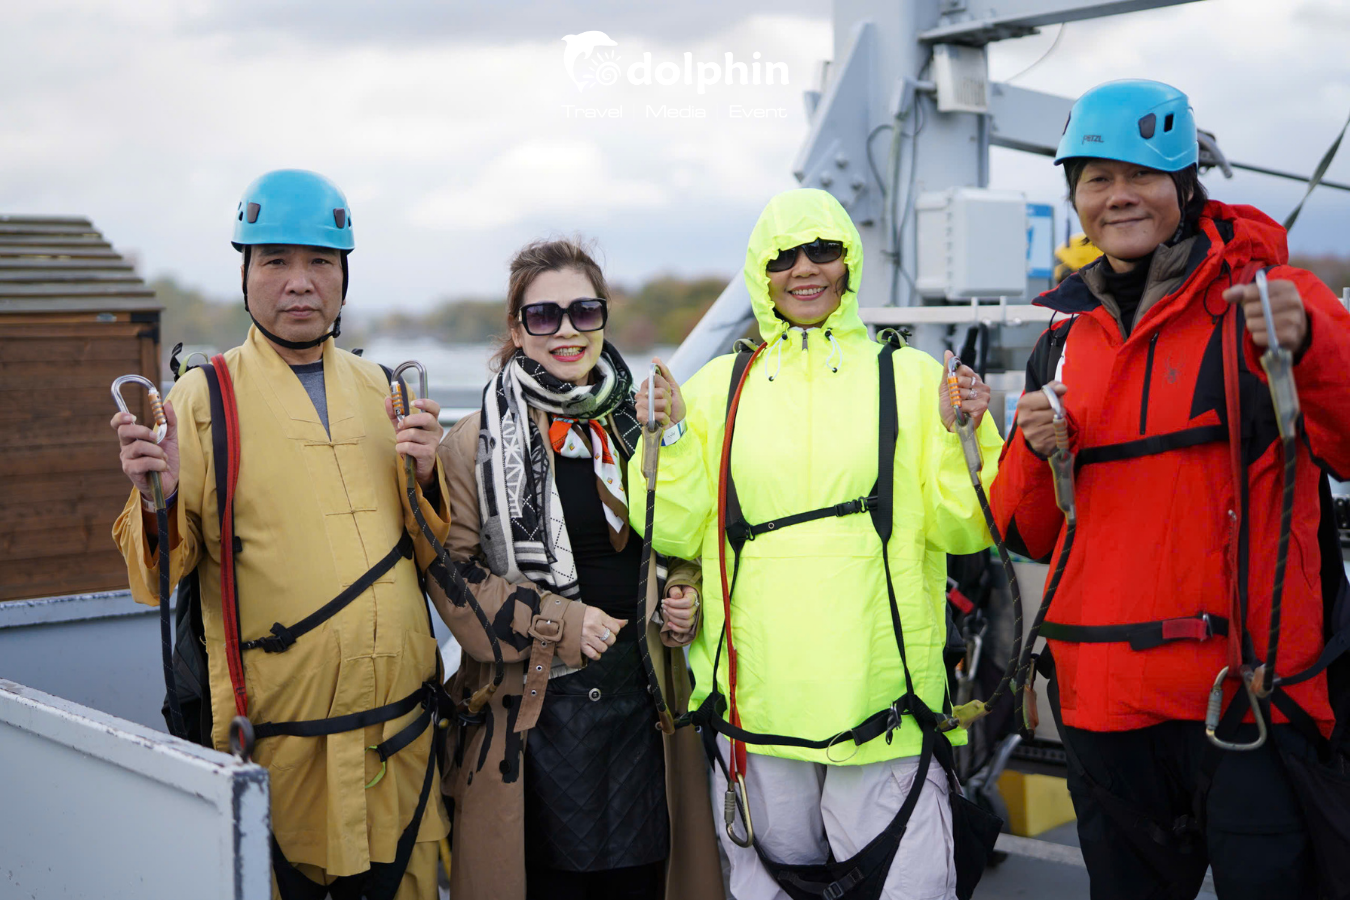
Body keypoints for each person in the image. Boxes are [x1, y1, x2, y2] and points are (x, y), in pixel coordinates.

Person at [991, 80, 1350, 900]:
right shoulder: (1061, 343)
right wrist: (1034, 453)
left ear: (1186, 185)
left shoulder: (1271, 306)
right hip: (1104, 706)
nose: (1118, 197)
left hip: (1250, 702)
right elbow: (1030, 533)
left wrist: (1313, 344)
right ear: (1076, 199)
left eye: (1141, 176)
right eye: (1096, 180)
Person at [632, 188, 1003, 900]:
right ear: (760, 273)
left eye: (823, 251)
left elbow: (968, 529)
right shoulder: (709, 392)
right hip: (757, 708)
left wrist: (967, 435)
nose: (805, 270)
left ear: (849, 262)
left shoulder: (918, 379)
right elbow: (670, 530)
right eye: (783, 257)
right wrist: (671, 438)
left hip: (886, 707)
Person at [111, 169, 451, 899]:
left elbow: (430, 555)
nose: (300, 282)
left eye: (319, 262)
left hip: (404, 748)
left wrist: (426, 478)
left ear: (343, 277)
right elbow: (157, 578)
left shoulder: (383, 390)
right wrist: (154, 496)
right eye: (276, 261)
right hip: (280, 758)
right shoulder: (202, 399)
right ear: (245, 276)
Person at [429, 238, 724, 900]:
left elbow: (683, 538)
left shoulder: (642, 425)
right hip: (536, 726)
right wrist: (559, 621)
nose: (566, 330)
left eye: (583, 312)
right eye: (543, 316)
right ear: (515, 329)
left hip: (644, 715)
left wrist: (684, 595)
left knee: (646, 883)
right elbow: (453, 578)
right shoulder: (474, 442)